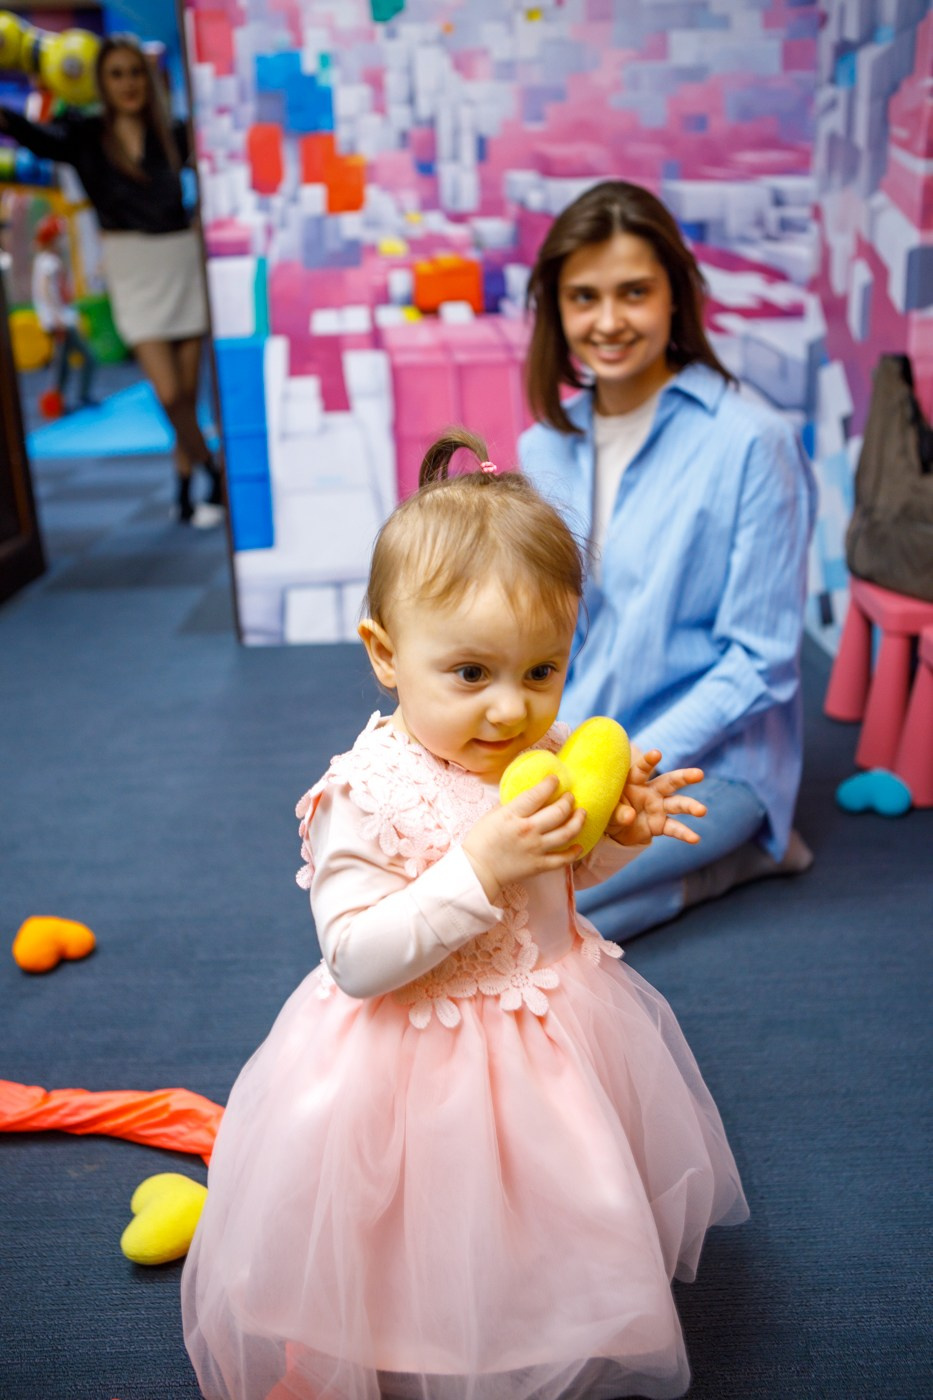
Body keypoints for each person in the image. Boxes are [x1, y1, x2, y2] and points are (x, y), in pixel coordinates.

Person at [181, 428, 748, 1400]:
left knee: (546, 1208)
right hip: (416, 1063)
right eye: (471, 674)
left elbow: (560, 880)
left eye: (542, 670)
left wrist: (620, 834)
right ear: (385, 655)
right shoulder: (364, 790)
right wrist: (476, 866)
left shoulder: (543, 747)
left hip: (551, 1034)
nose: (511, 712)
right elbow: (356, 956)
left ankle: (535, 1316)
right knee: (429, 1237)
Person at [520, 180, 817, 943]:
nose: (608, 322)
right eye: (584, 297)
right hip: (577, 743)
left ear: (675, 298)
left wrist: (625, 769)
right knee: (468, 883)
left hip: (704, 760)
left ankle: (742, 853)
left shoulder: (753, 442)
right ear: (556, 309)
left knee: (533, 914)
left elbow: (759, 663)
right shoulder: (541, 446)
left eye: (634, 293)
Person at [0, 34, 223, 525]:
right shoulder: (84, 136)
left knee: (186, 396)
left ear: (149, 80)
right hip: (131, 269)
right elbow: (33, 136)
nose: (128, 84)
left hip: (182, 262)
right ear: (101, 82)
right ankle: (213, 472)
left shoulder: (175, 132)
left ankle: (187, 489)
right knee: (167, 394)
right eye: (117, 74)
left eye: (135, 73)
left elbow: (219, 169)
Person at [30, 212, 97, 411]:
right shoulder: (47, 262)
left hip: (61, 318)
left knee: (63, 364)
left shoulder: (49, 259)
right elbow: (44, 290)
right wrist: (57, 316)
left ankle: (61, 400)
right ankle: (77, 397)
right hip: (59, 321)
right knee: (84, 358)